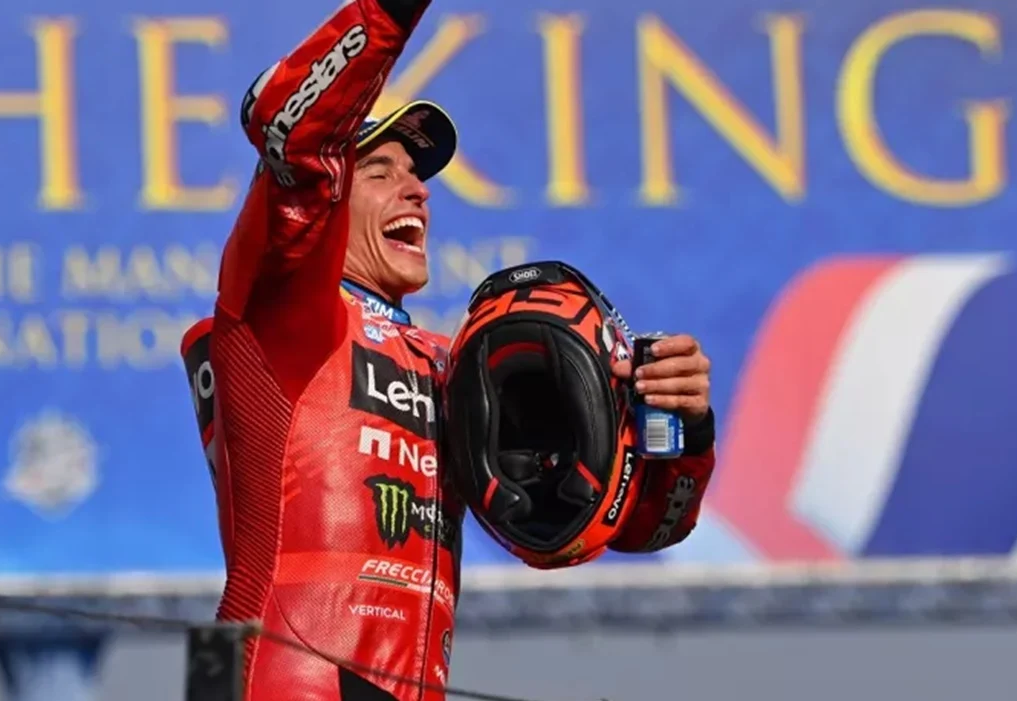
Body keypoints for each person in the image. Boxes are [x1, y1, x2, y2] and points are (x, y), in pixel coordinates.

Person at [190, 1, 718, 699]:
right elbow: (289, 131)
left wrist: (682, 426)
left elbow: (635, 529)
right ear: (331, 199)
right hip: (275, 677)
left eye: (418, 175)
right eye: (380, 171)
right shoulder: (280, 309)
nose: (417, 190)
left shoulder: (462, 369)